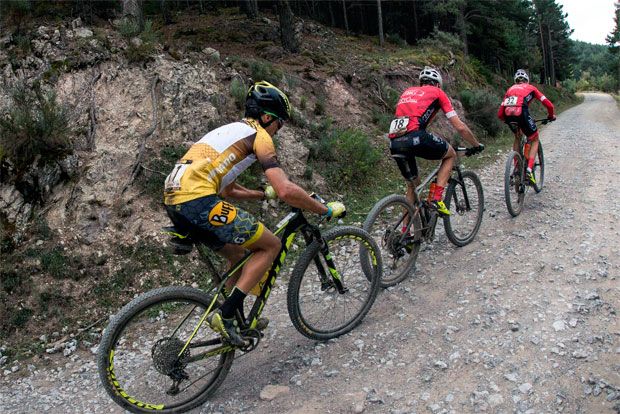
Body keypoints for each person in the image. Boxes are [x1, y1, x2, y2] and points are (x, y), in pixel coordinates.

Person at [163, 81, 345, 347]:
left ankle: (234, 316)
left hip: (175, 198)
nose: (277, 132)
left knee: (237, 254)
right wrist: (324, 209)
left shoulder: (229, 131)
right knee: (271, 245)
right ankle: (225, 317)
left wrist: (262, 194)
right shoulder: (260, 135)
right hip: (198, 199)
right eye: (279, 125)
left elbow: (229, 190)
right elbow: (285, 189)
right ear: (268, 117)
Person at [388, 66, 484, 216]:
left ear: (421, 83)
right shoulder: (438, 92)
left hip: (394, 142)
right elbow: (461, 128)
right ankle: (436, 199)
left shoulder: (408, 92)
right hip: (415, 137)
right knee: (450, 154)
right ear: (438, 84)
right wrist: (476, 145)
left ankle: (404, 232)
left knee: (414, 188)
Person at [498, 69, 555, 185]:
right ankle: (529, 170)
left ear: (515, 81)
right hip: (521, 113)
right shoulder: (531, 88)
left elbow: (500, 113)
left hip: (508, 115)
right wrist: (550, 115)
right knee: (534, 139)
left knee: (517, 137)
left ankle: (517, 167)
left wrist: (506, 121)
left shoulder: (510, 89)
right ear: (527, 80)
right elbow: (549, 104)